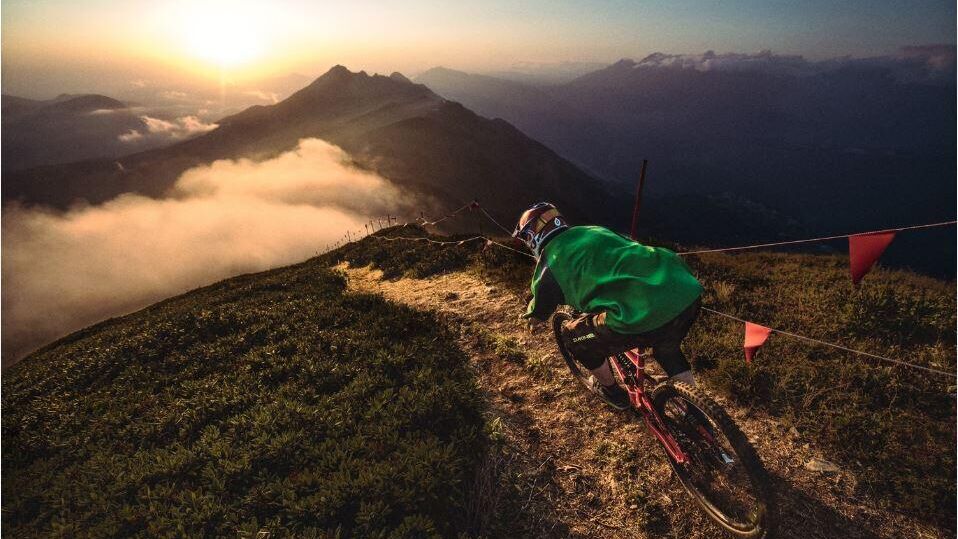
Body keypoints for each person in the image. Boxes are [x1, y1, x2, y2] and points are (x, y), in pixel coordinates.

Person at [514, 202, 704, 410]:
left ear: (533, 237)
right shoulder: (593, 230)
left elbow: (541, 304)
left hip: (639, 313)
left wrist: (533, 318)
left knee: (574, 337)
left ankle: (612, 392)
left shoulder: (548, 263)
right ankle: (696, 410)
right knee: (667, 344)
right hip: (683, 288)